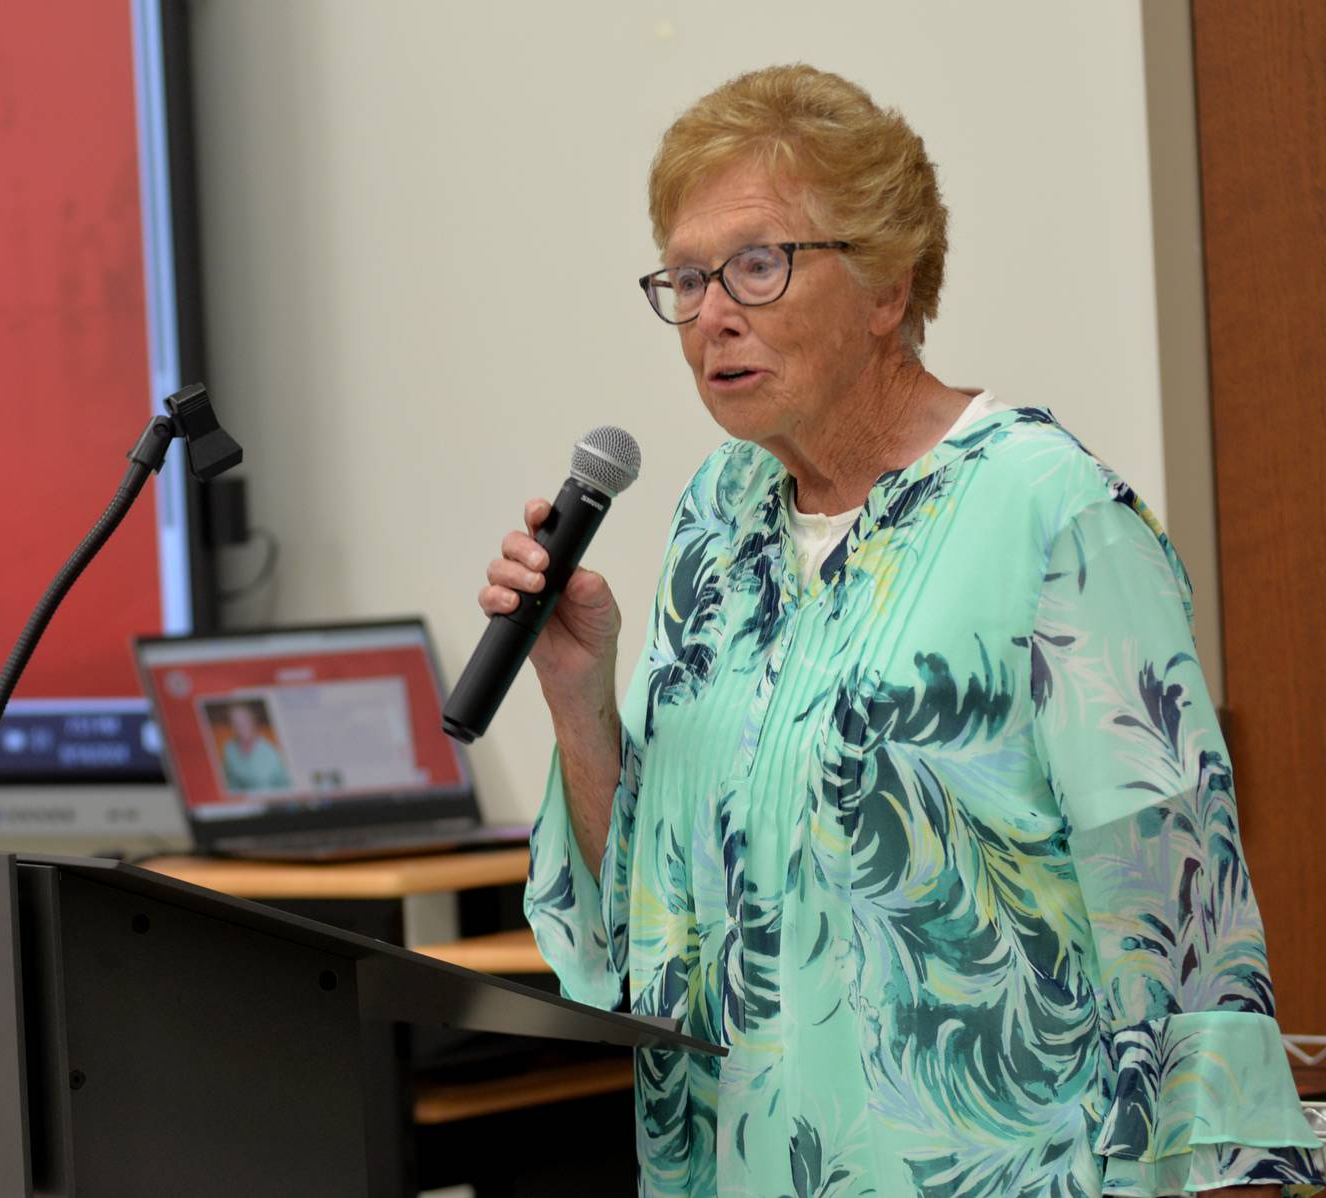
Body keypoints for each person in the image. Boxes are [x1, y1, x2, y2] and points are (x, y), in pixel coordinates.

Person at [481, 66, 1323, 1197]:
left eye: (758, 265)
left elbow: (1185, 943)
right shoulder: (715, 521)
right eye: (686, 278)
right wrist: (582, 705)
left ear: (889, 285)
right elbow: (651, 937)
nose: (712, 313)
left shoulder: (1049, 515)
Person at [219, 701, 290, 792]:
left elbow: (284, 786)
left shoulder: (272, 750)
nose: (240, 725)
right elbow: (230, 782)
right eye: (234, 721)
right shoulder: (229, 748)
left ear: (253, 721)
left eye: (244, 719)